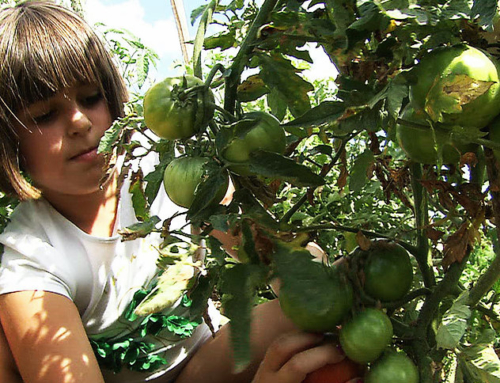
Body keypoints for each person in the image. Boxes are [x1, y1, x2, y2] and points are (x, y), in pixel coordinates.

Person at [0, 1, 359, 383]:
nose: (79, 121)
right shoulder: (30, 262)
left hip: (206, 363)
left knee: (341, 284)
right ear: (8, 142)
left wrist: (317, 275)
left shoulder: (164, 170)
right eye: (44, 115)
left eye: (91, 98)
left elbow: (275, 258)